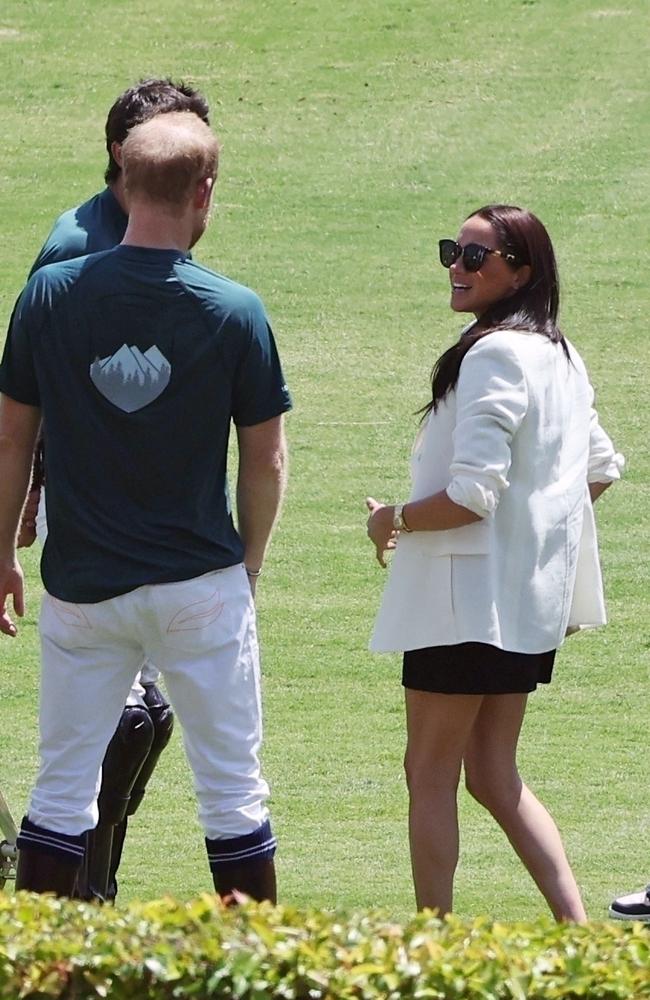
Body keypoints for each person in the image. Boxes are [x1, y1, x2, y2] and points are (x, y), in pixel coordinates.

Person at [0, 110, 291, 903]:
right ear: (205, 192)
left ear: (124, 183)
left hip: (83, 587)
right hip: (199, 583)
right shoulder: (234, 309)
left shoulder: (48, 295)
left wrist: (1, 554)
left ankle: (40, 978)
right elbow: (264, 459)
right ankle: (252, 978)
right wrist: (250, 564)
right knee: (232, 794)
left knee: (61, 792)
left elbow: (11, 442)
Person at [366, 204, 623, 921]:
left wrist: (395, 521)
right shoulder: (560, 354)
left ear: (521, 271)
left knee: (430, 773)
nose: (457, 265)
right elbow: (600, 468)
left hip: (464, 607)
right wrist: (532, 539)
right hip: (521, 608)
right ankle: (576, 931)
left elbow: (474, 493)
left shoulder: (497, 353)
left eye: (475, 257)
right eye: (453, 250)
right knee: (492, 775)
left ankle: (433, 943)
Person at [17, 77, 211, 903]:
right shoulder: (79, 248)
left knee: (135, 717)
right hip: (95, 507)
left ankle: (91, 894)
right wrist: (28, 499)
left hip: (142, 505)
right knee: (128, 717)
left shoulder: (149, 228)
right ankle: (77, 903)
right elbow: (30, 391)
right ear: (123, 156)